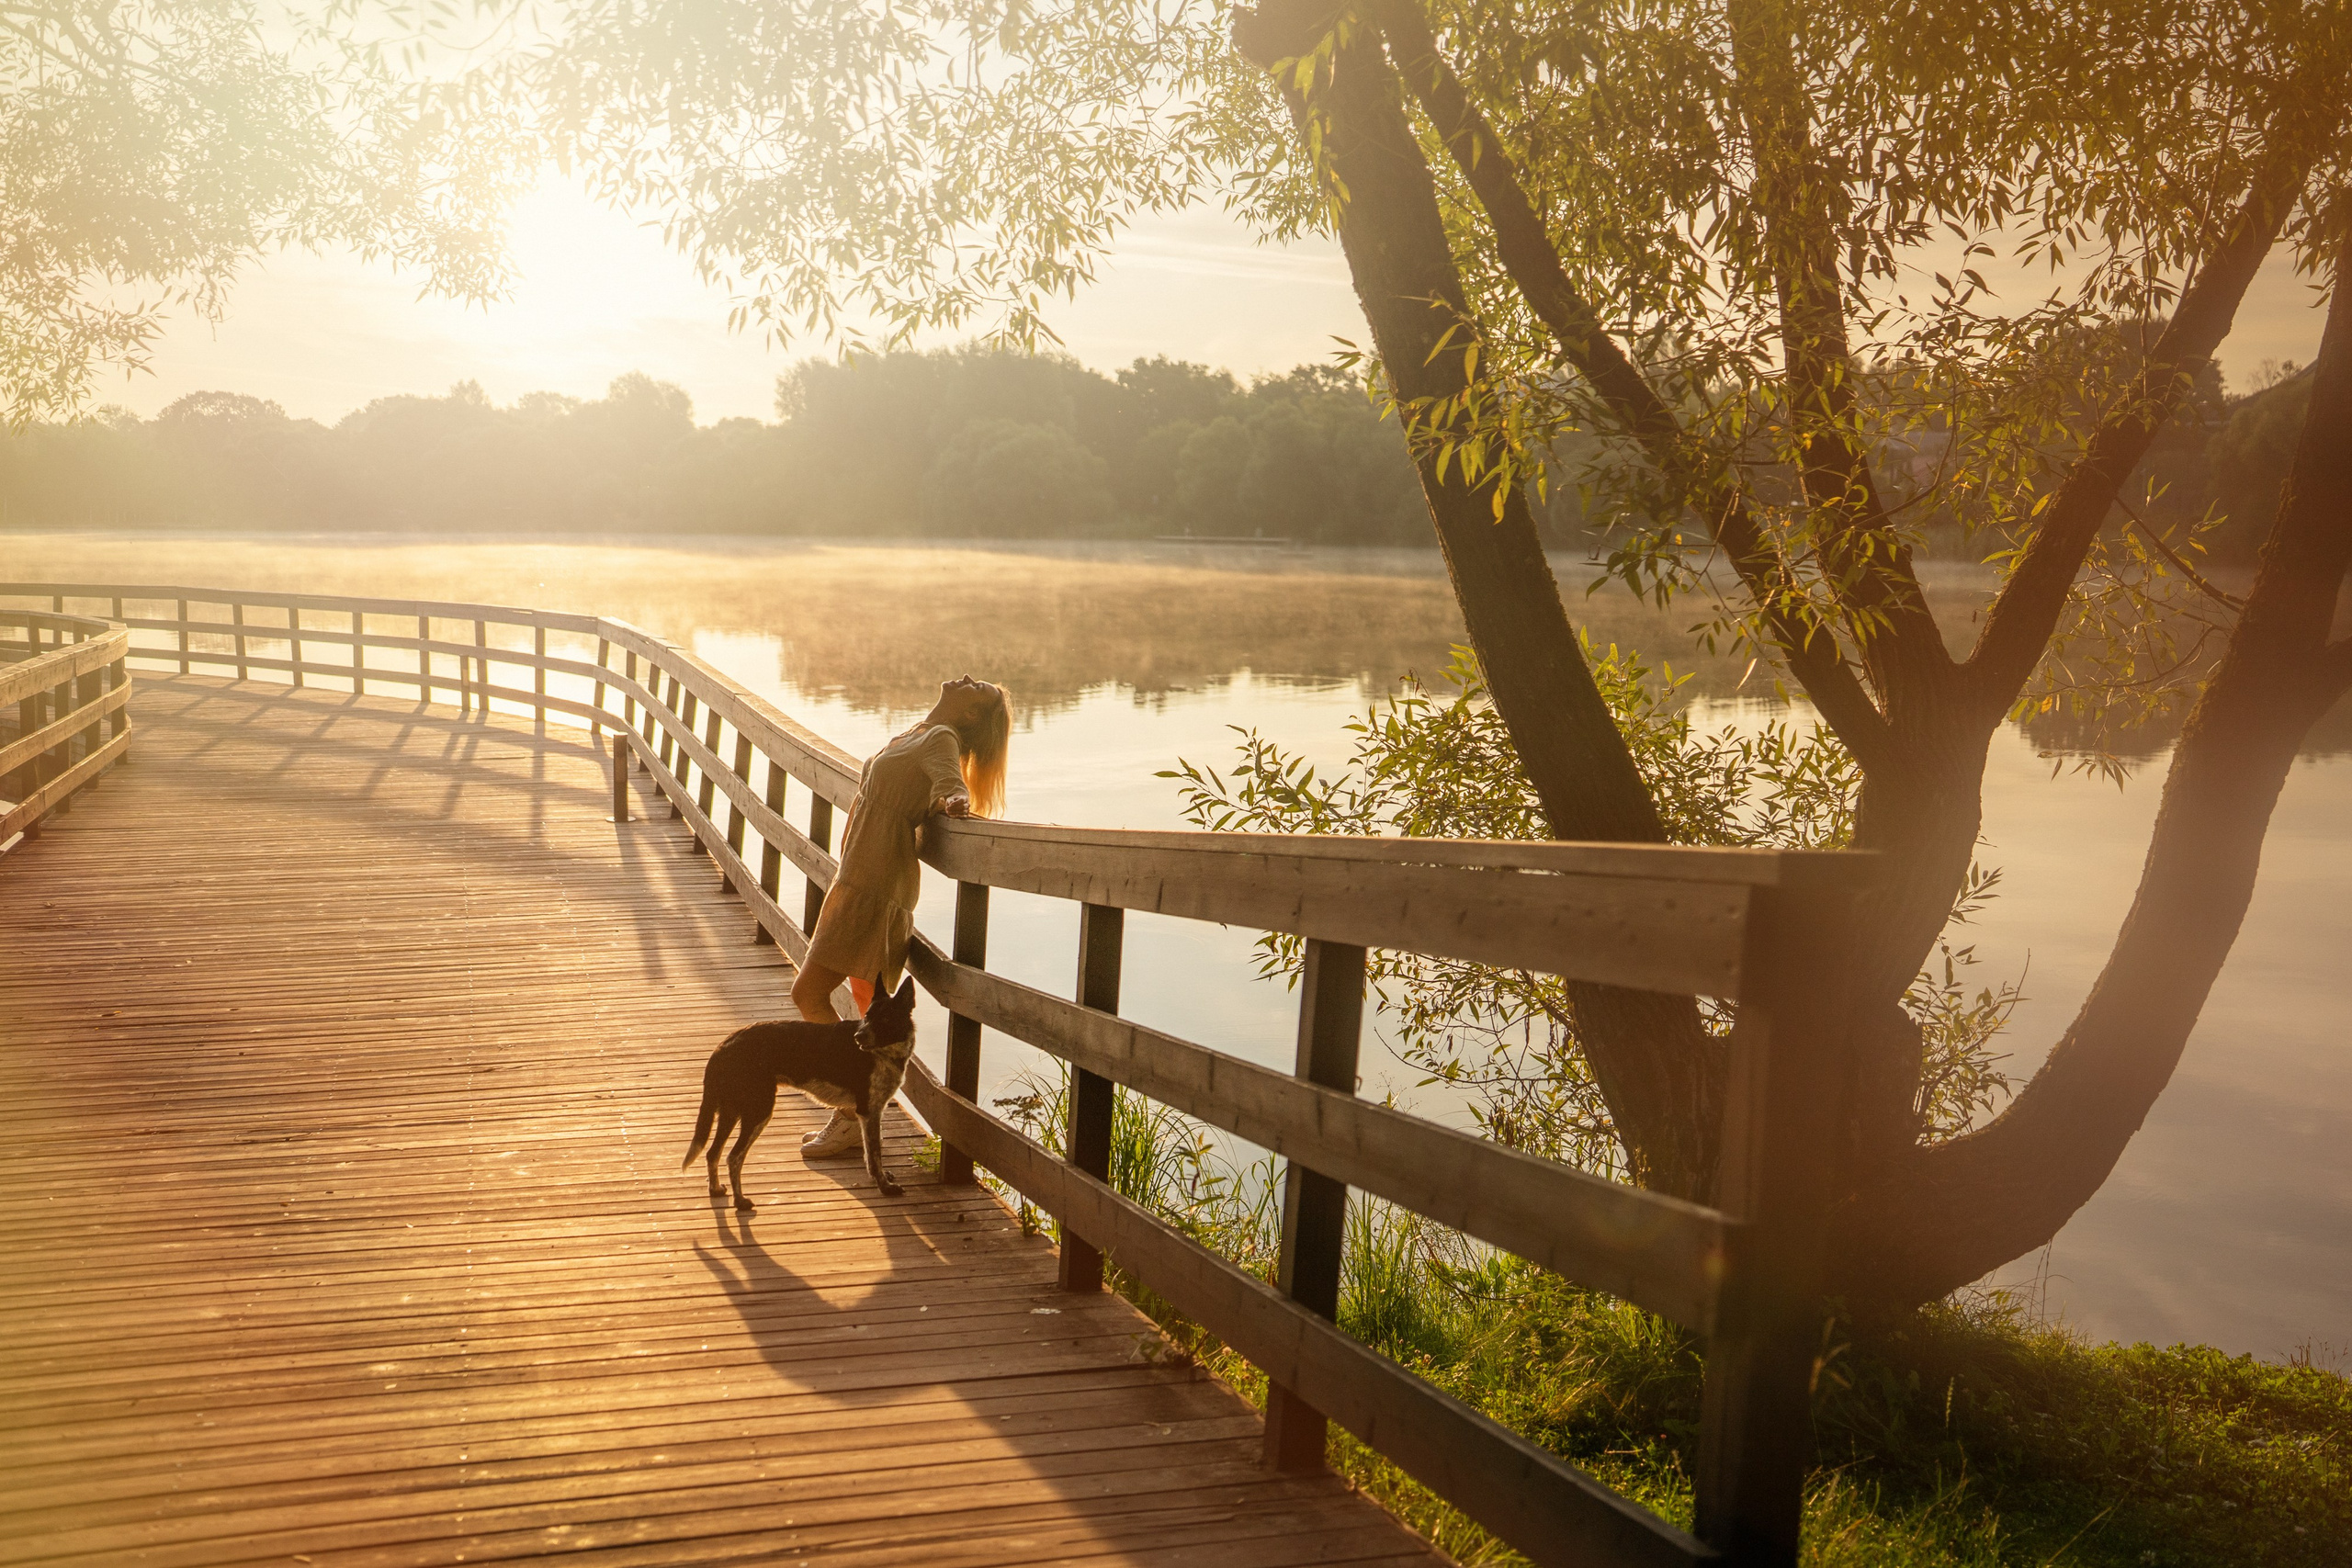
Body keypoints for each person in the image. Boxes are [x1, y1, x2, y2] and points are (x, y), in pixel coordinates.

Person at [793, 674, 1011, 1157]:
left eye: (978, 688)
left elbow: (951, 787)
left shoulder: (941, 738)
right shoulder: (920, 732)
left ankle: (851, 1110)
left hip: (876, 888)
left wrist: (955, 801)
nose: (968, 678)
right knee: (865, 1004)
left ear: (970, 714)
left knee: (808, 993)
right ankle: (857, 1109)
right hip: (859, 881)